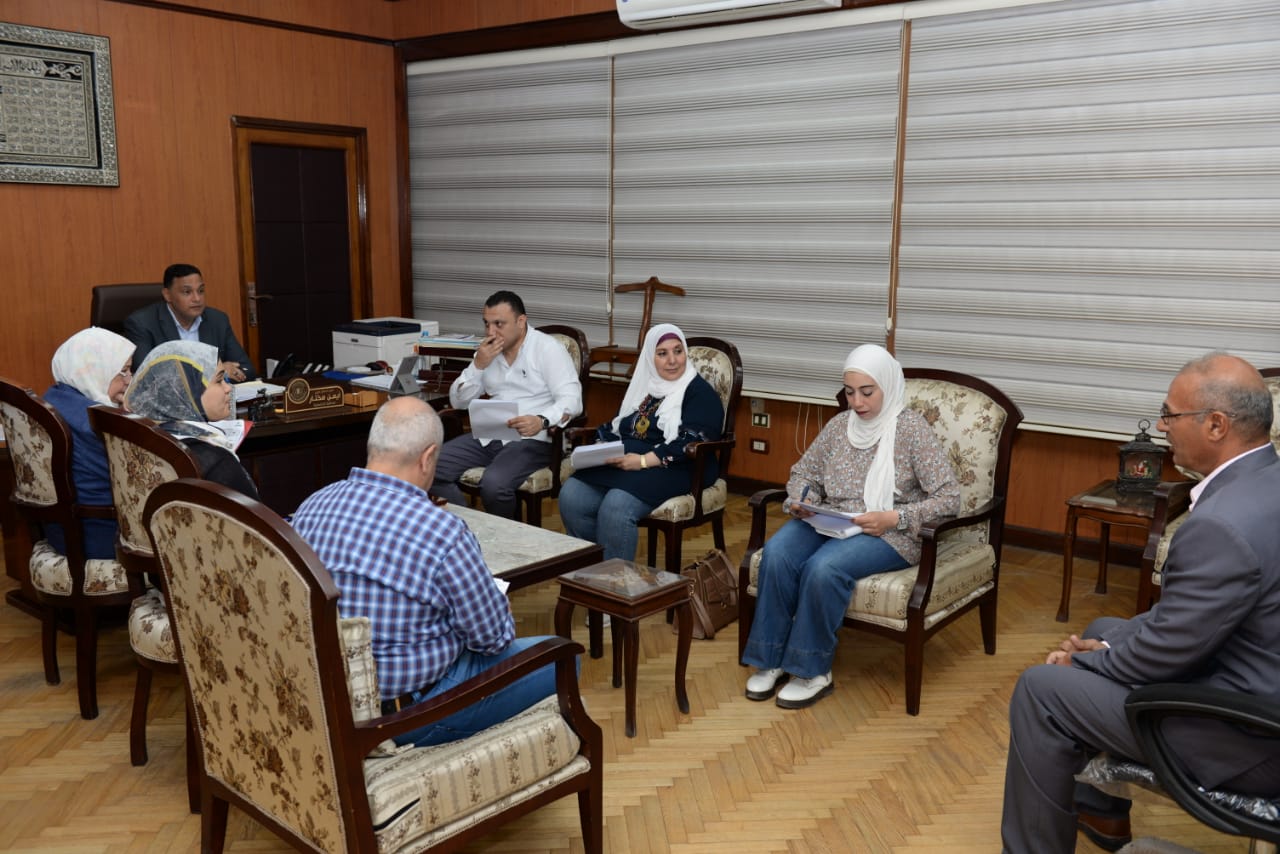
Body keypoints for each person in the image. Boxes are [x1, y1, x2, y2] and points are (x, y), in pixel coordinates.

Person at [1001, 352, 1280, 854]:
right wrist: (1104, 647)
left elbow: (1169, 650)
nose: (1161, 426)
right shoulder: (1266, 481)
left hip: (1246, 735)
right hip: (1255, 677)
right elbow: (1189, 619)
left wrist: (1084, 662)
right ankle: (1102, 812)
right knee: (1105, 626)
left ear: (1216, 425)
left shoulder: (1222, 526)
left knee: (1041, 690)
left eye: (1170, 414)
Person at [291, 396, 561, 746]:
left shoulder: (312, 505)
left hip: (326, 696)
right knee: (561, 657)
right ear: (428, 457)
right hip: (408, 715)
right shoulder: (442, 531)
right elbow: (492, 639)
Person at [741, 344, 960, 710]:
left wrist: (896, 518)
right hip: (830, 518)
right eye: (849, 392)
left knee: (823, 568)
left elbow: (949, 498)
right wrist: (801, 499)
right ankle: (771, 659)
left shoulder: (911, 430)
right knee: (777, 554)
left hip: (887, 531)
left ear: (888, 386)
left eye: (867, 392)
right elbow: (804, 473)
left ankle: (812, 672)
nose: (857, 402)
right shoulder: (839, 425)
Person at [558, 323, 724, 564]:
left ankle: (614, 581)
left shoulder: (699, 393)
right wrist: (601, 448)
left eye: (678, 351)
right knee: (572, 496)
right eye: (662, 353)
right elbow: (621, 426)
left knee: (616, 506)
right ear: (650, 358)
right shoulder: (645, 388)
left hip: (680, 466)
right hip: (631, 461)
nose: (672, 360)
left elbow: (692, 441)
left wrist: (644, 461)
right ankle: (592, 569)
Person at [430, 290, 582, 518]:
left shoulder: (547, 349)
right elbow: (458, 401)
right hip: (489, 435)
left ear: (521, 321)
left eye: (499, 324)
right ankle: (467, 526)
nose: (491, 332)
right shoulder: (486, 352)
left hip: (533, 440)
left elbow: (572, 400)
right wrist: (478, 366)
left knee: (494, 484)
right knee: (428, 467)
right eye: (487, 324)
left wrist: (541, 420)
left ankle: (505, 536)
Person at [42, 327, 136, 560]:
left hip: (61, 531)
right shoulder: (98, 424)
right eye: (123, 372)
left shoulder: (54, 397)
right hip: (104, 535)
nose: (130, 380)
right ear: (95, 371)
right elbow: (135, 480)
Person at [123, 340, 259, 500]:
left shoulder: (140, 438)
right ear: (186, 390)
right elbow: (255, 513)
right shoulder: (214, 461)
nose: (228, 388)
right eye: (219, 380)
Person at [123, 263, 256, 381]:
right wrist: (214, 371)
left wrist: (222, 374)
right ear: (167, 295)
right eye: (187, 292)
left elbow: (246, 369)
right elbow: (146, 377)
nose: (197, 298)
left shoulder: (217, 320)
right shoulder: (142, 323)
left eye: (201, 291)